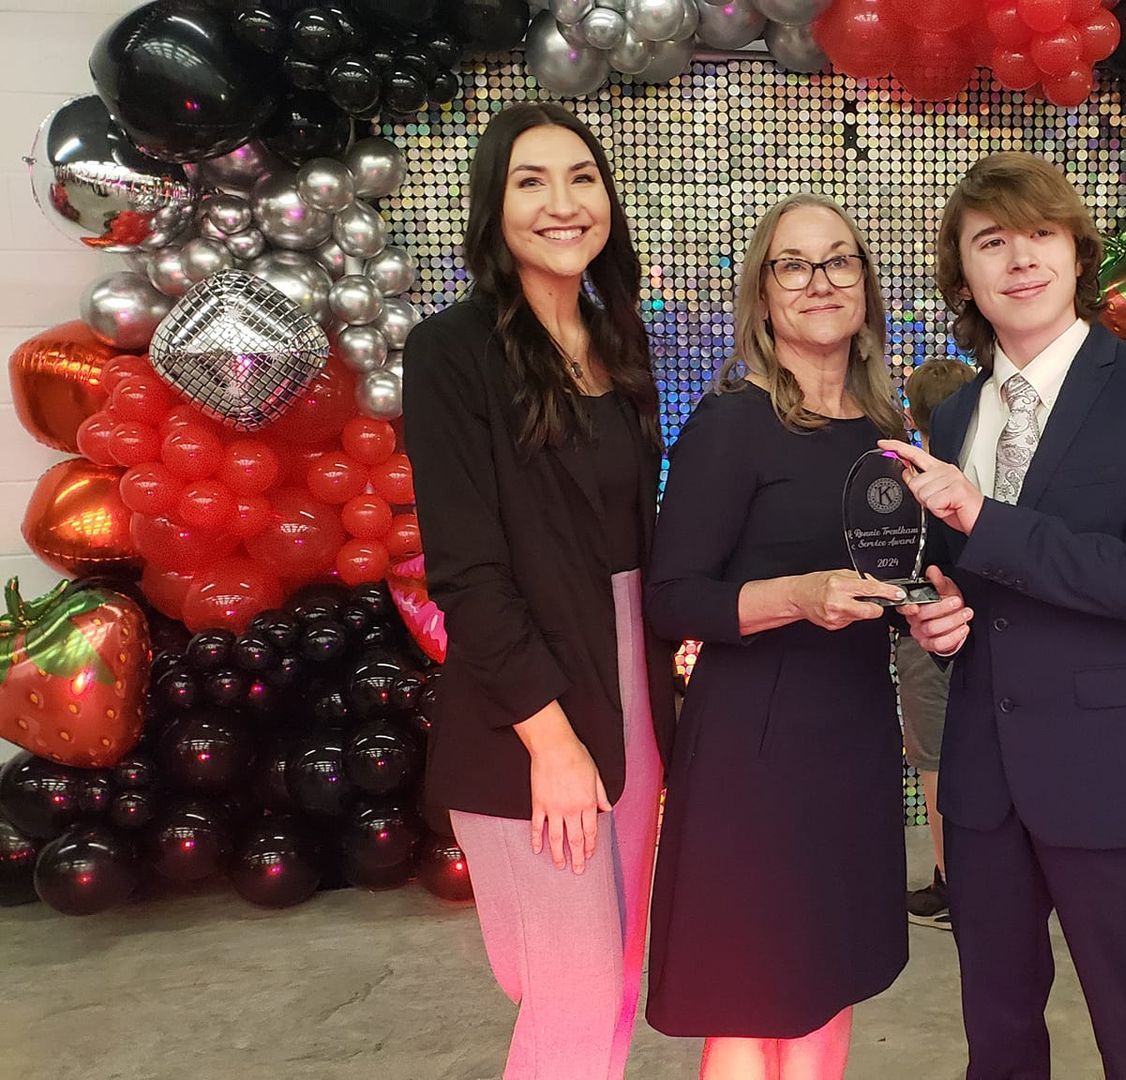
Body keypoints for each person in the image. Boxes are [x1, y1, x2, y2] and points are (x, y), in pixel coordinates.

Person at [884, 152, 1126, 1079]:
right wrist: (935, 616)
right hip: (985, 782)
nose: (1019, 258)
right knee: (996, 1031)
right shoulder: (952, 421)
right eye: (992, 241)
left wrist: (984, 521)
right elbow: (969, 580)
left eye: (1040, 234)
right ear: (964, 277)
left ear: (1077, 254)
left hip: (1111, 774)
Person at [406, 102, 675, 1080]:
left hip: (636, 694)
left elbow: (638, 540)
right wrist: (551, 740)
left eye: (581, 177)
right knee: (575, 993)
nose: (562, 203)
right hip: (530, 709)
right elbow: (468, 571)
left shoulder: (621, 346)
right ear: (495, 206)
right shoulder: (453, 351)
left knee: (615, 980)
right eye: (531, 181)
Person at [644, 193, 910, 1079]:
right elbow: (674, 598)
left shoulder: (886, 434)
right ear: (763, 296)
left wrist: (937, 610)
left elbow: (901, 575)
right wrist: (794, 596)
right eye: (793, 265)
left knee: (825, 987)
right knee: (755, 1000)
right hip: (753, 753)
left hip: (854, 735)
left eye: (840, 260)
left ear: (866, 286)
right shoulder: (731, 424)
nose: (820, 281)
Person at [899, 357, 974, 931]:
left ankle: (951, 882)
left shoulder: (904, 486)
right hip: (983, 628)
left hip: (924, 629)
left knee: (935, 760)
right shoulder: (984, 479)